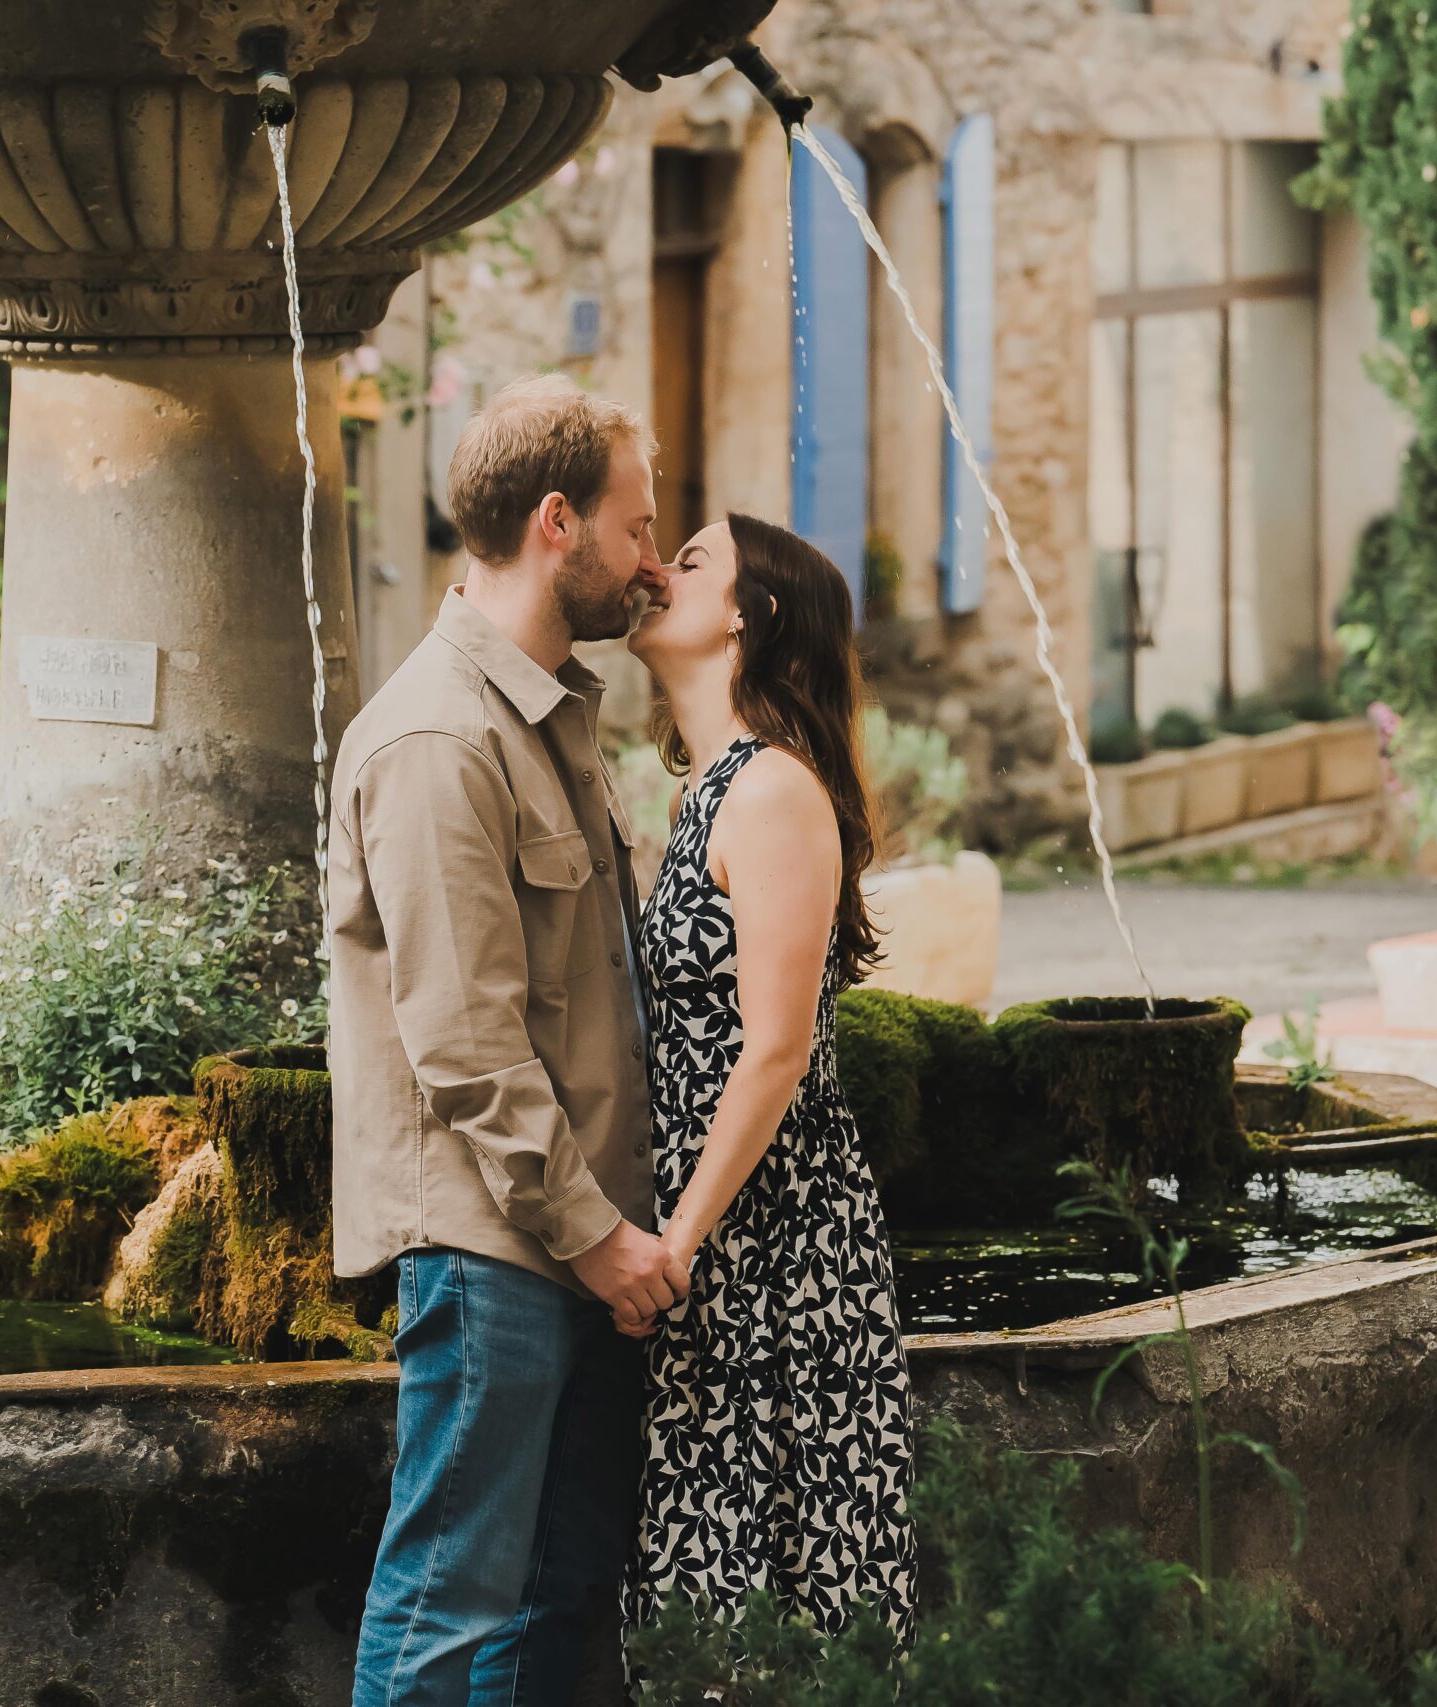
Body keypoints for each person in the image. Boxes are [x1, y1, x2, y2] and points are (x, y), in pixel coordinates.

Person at [331, 373, 686, 1706]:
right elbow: (468, 1044)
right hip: (498, 1251)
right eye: (638, 526)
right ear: (558, 522)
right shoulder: (436, 736)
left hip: (579, 1250)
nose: (651, 561)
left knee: (556, 1613)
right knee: (448, 1610)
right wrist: (603, 1241)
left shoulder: (548, 713)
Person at [618, 513, 919, 1662]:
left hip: (772, 1252)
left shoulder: (771, 793)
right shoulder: (716, 787)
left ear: (748, 614)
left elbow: (775, 1051)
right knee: (710, 1586)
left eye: (688, 561)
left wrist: (677, 1243)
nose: (656, 569)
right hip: (723, 1245)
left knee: (780, 1593)